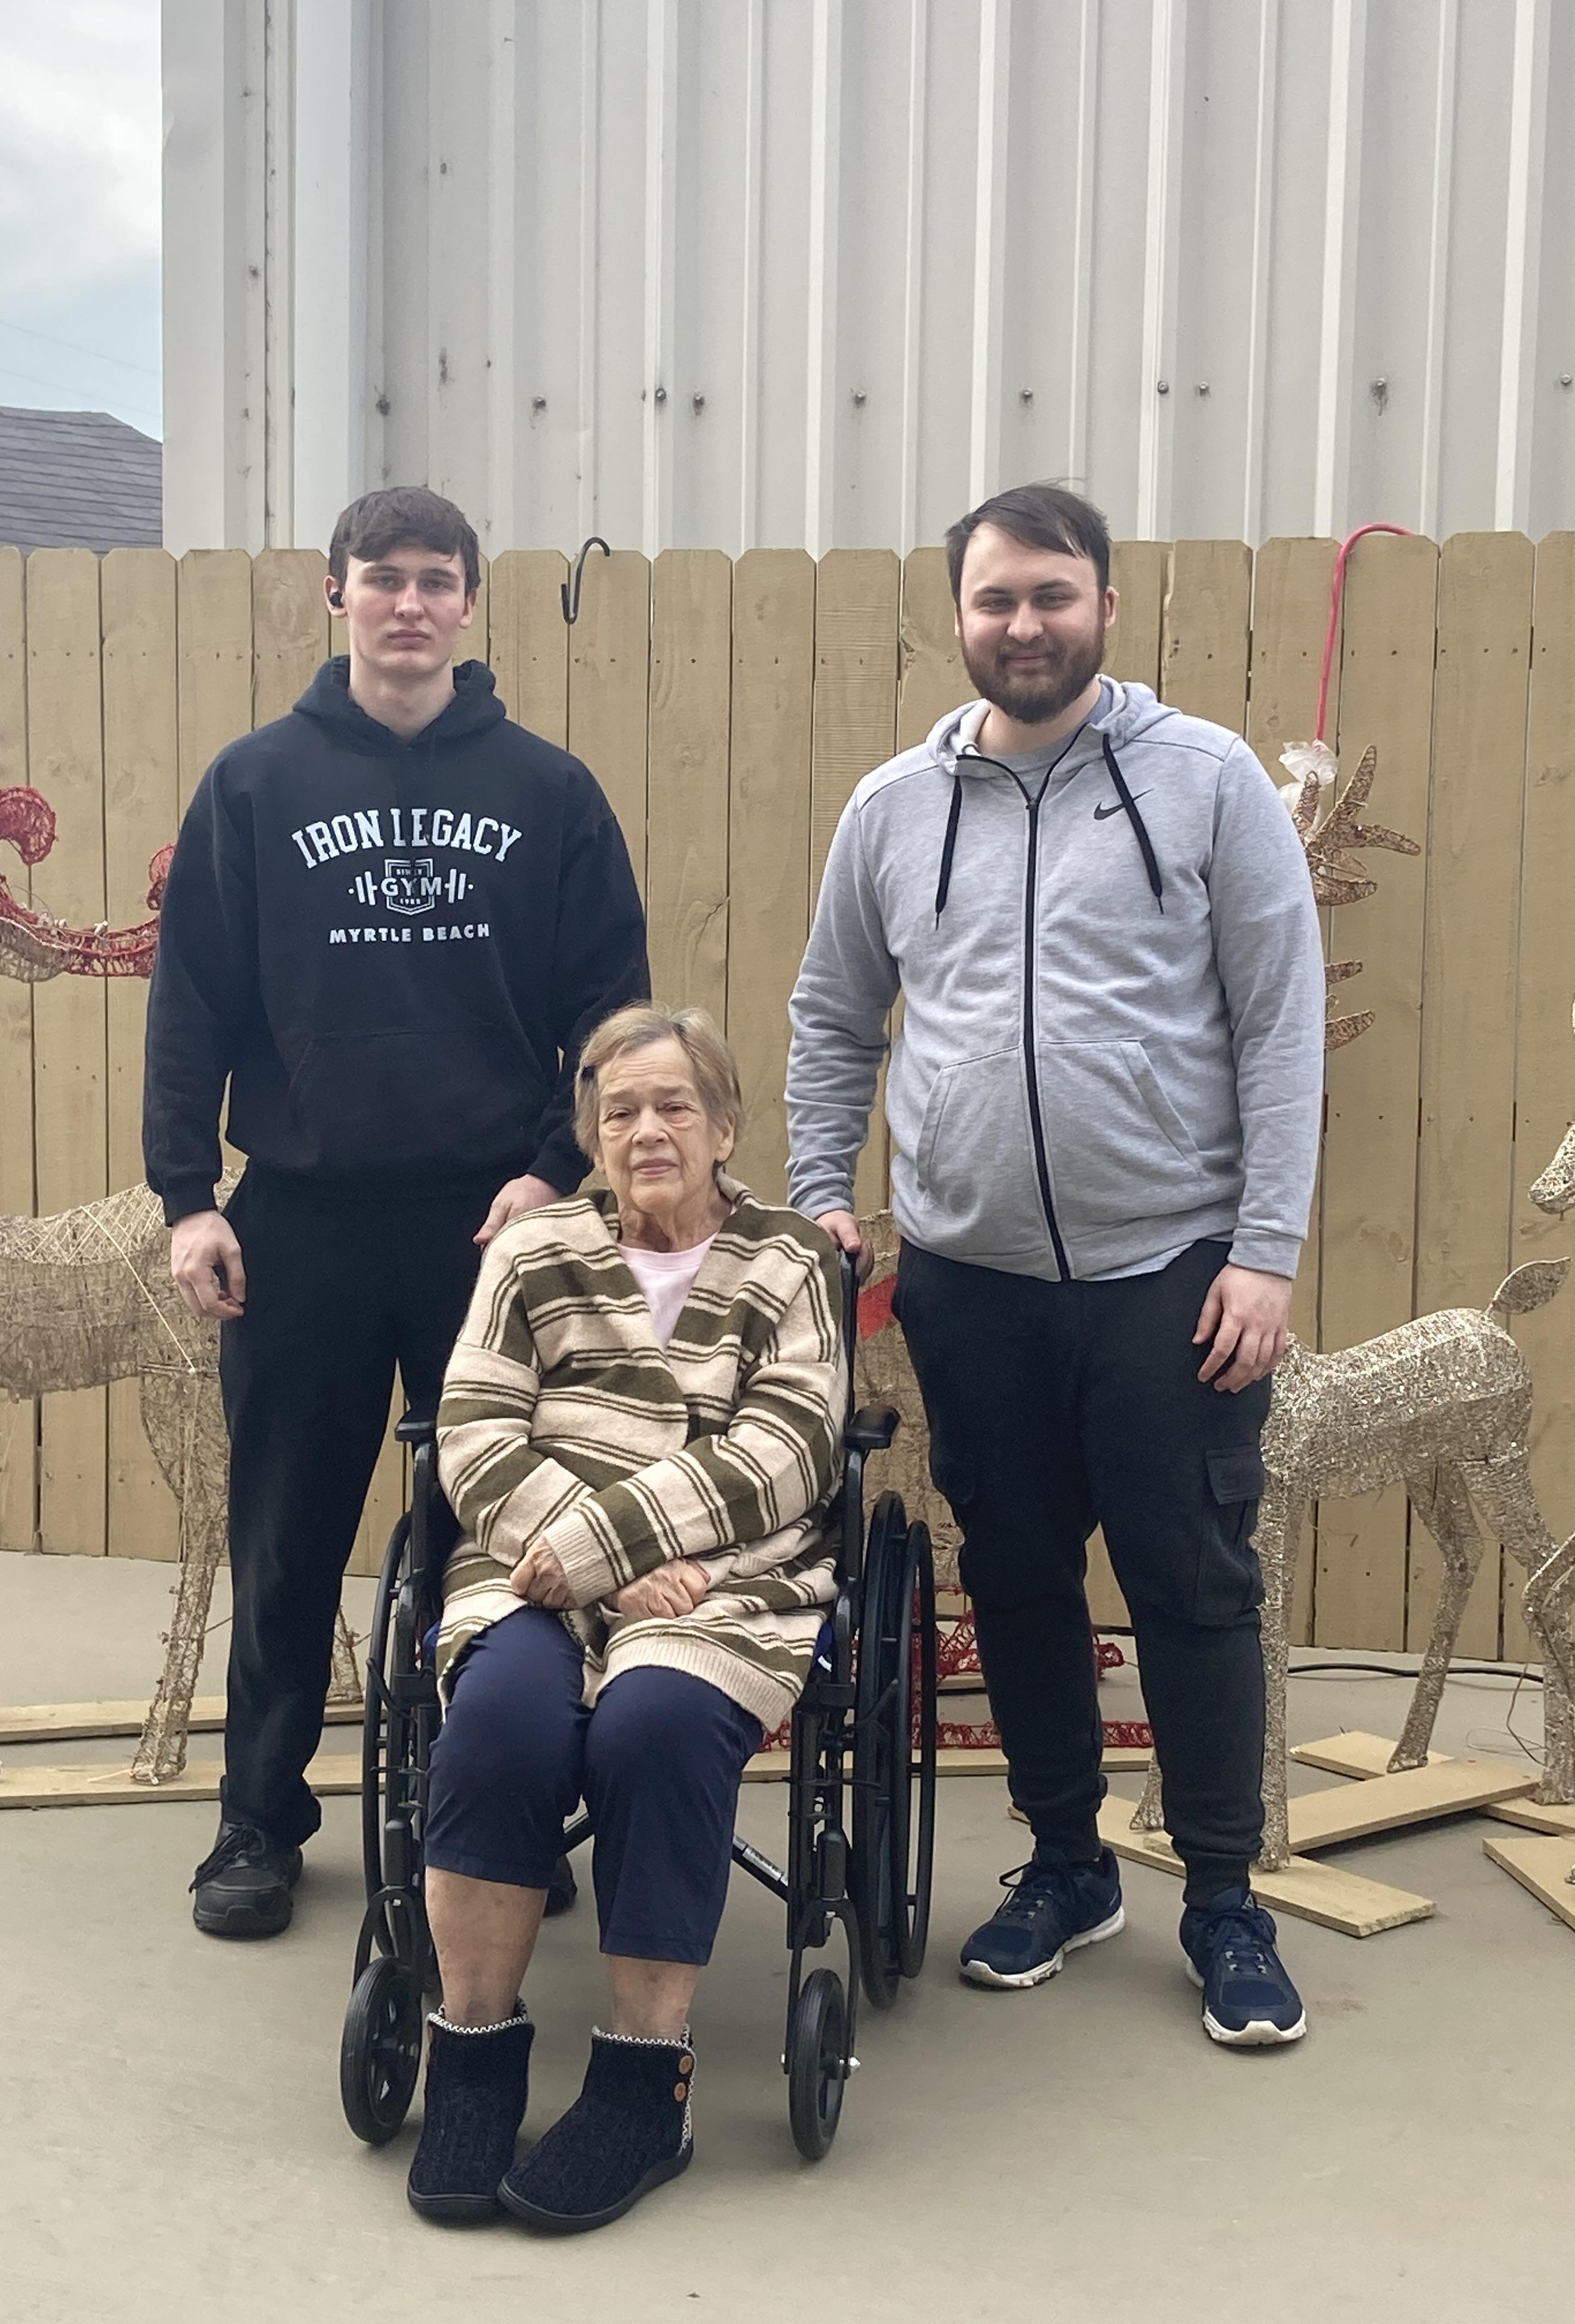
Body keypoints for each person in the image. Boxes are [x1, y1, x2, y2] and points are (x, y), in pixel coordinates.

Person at [785, 483, 1325, 2048]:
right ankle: (1070, 1864)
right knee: (1014, 1577)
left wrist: (1267, 1254)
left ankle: (1224, 1896)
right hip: (972, 1281)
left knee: (1192, 1583)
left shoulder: (1206, 782)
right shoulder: (893, 807)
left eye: (1054, 596)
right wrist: (829, 1192)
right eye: (998, 599)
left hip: (1174, 1277)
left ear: (1103, 602)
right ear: (957, 614)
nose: (1026, 625)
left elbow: (1281, 1027)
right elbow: (834, 1018)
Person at [143, 484, 649, 1939]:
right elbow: (193, 1009)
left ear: (471, 604)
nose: (411, 603)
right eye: (386, 578)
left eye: (438, 580)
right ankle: (258, 1818)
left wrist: (558, 1173)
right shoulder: (254, 784)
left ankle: (488, 1812)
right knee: (287, 1535)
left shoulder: (550, 794)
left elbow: (609, 1013)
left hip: (489, 1229)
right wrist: (190, 1197)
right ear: (336, 595)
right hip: (299, 1218)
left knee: (494, 1541)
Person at [405, 1003, 844, 2232]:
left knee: (654, 1726)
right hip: (530, 1562)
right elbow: (478, 1433)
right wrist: (593, 1570)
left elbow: (789, 1450)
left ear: (726, 1126)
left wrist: (611, 1550)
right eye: (619, 1112)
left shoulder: (794, 1257)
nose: (646, 1130)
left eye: (673, 1106)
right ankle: (474, 2055)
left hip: (725, 1580)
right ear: (591, 1138)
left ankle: (648, 2081)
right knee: (496, 1719)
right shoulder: (534, 1249)